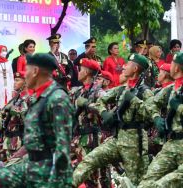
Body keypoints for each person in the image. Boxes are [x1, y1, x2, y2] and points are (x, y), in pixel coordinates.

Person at [0, 53, 73, 187]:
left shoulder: (56, 98)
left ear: (35, 71)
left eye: (27, 70)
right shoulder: (40, 97)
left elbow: (62, 146)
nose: (25, 75)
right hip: (29, 166)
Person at [72, 53, 153, 186]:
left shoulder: (144, 92)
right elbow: (101, 101)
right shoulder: (121, 89)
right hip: (117, 139)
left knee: (136, 181)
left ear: (135, 69)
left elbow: (150, 115)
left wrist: (134, 100)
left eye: (128, 64)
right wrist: (104, 113)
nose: (124, 66)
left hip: (134, 143)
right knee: (89, 161)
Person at [139, 52, 183, 187]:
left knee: (163, 184)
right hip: (171, 143)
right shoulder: (171, 88)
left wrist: (180, 107)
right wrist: (156, 117)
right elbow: (151, 103)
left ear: (176, 68)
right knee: (147, 181)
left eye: (173, 63)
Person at [69, 58, 110, 187]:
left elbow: (105, 112)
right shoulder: (77, 92)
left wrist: (87, 104)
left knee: (96, 176)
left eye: (80, 70)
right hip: (79, 138)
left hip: (94, 139)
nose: (78, 72)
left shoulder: (99, 92)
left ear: (87, 72)